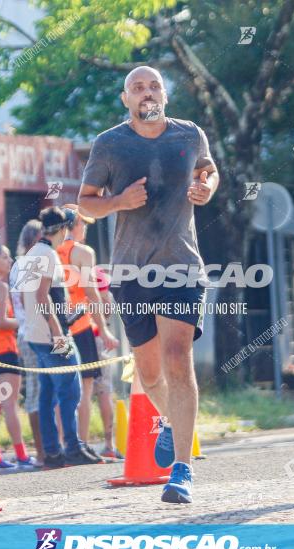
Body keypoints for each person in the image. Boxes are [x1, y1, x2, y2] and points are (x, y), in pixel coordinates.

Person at [78, 65, 219, 504]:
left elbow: (208, 170)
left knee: (178, 358)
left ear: (165, 94)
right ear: (126, 99)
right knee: (149, 370)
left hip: (181, 266)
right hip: (131, 270)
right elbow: (85, 206)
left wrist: (207, 188)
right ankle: (173, 422)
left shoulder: (189, 135)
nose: (147, 92)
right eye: (137, 87)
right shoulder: (110, 144)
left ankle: (182, 470)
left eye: (154, 84)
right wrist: (119, 201)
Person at [11, 206, 101, 468]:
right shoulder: (48, 254)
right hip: (51, 335)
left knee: (48, 394)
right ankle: (72, 448)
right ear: (61, 229)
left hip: (35, 334)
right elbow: (43, 296)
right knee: (70, 391)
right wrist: (58, 331)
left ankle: (52, 451)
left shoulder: (32, 253)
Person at [56, 204, 119, 451]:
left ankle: (61, 445)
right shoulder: (83, 252)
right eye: (83, 224)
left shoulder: (47, 251)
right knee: (84, 388)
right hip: (81, 327)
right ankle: (78, 445)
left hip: (56, 328)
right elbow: (93, 295)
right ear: (74, 225)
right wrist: (104, 331)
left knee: (60, 391)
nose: (85, 230)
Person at [0, 243, 37, 469]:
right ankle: (21, 455)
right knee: (11, 405)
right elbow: (2, 321)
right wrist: (24, 321)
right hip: (5, 350)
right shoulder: (0, 288)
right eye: (4, 257)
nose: (10, 261)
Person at [10, 219, 46, 464]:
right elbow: (28, 300)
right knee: (37, 390)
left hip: (31, 332)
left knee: (44, 389)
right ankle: (43, 452)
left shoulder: (20, 265)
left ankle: (49, 449)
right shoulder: (28, 265)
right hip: (33, 332)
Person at [91, 265, 122, 459]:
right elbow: (107, 305)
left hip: (73, 336)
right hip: (96, 335)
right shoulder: (96, 271)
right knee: (104, 390)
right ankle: (109, 444)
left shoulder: (59, 263)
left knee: (78, 393)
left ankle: (76, 445)